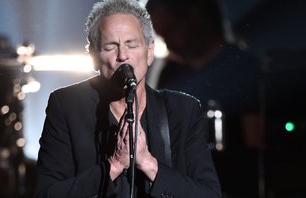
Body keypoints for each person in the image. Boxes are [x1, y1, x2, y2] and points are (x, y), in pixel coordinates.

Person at [33, 0, 221, 197]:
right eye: (110, 46)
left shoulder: (183, 111)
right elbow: (46, 194)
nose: (122, 55)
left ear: (149, 52)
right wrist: (113, 166)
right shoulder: (66, 106)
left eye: (131, 44)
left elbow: (210, 194)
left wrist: (149, 163)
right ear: (94, 56)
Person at [146, 0, 262, 197]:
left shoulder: (244, 70)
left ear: (195, 16)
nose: (170, 42)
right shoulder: (169, 74)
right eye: (163, 35)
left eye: (171, 30)